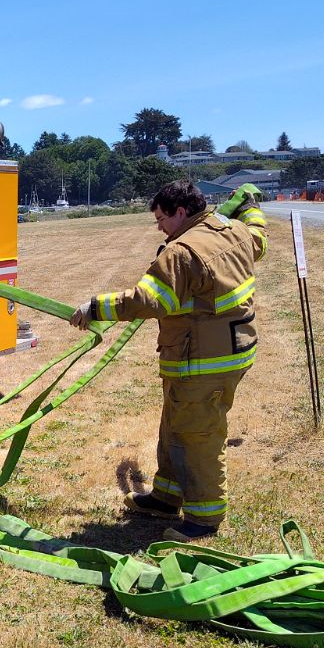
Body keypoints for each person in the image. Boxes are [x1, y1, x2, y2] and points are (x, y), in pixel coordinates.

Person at [69, 179, 267, 538]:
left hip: (202, 361)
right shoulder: (234, 230)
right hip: (229, 351)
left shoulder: (181, 253)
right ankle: (166, 497)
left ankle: (202, 521)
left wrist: (95, 307)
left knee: (198, 436)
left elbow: (146, 300)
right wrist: (249, 203)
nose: (158, 226)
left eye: (161, 218)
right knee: (176, 425)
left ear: (181, 212)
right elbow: (259, 234)